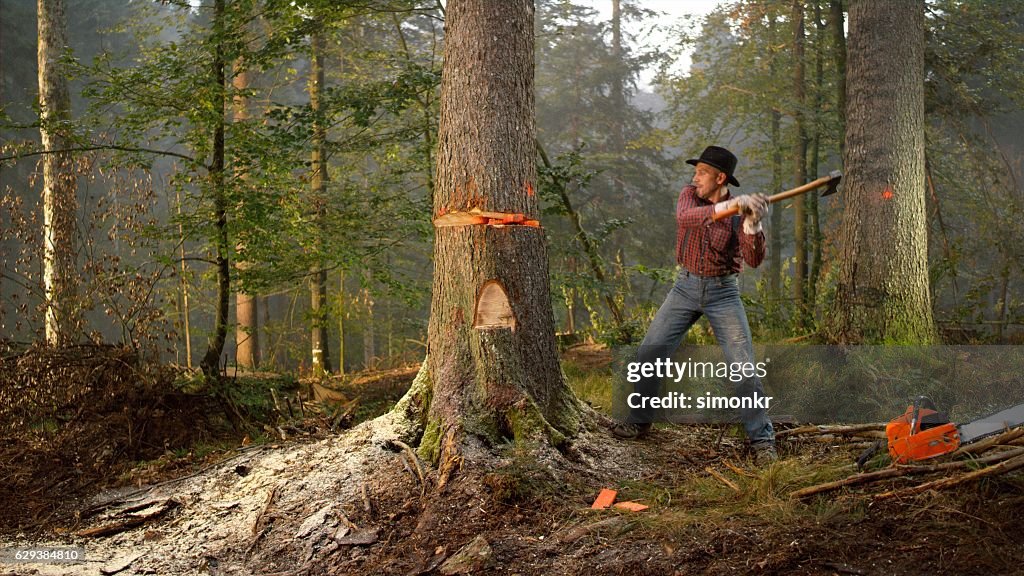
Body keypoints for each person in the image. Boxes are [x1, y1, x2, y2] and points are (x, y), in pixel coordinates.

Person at [612, 145, 777, 463]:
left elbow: (754, 260)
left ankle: (762, 441)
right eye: (696, 171)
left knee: (742, 367)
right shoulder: (690, 195)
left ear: (720, 177)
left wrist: (752, 223)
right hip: (684, 287)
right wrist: (729, 209)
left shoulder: (740, 213)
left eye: (701, 172)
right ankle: (639, 421)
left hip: (723, 292)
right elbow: (685, 218)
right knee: (651, 351)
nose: (695, 177)